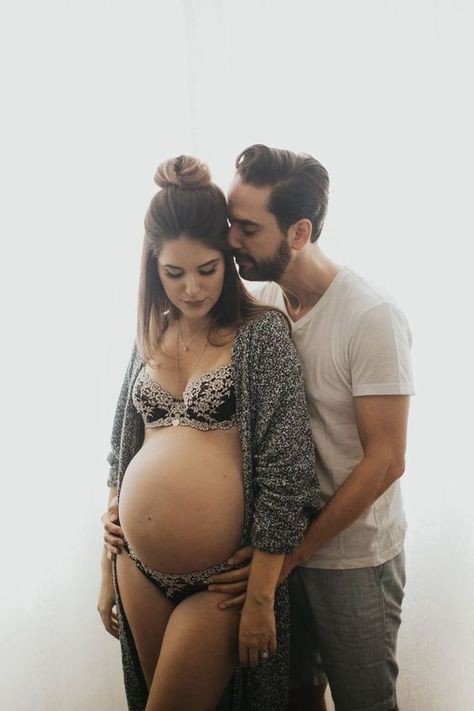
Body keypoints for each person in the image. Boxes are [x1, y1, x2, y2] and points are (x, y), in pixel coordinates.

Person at [97, 154, 319, 711]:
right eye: (174, 274)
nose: (192, 289)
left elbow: (288, 469)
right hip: (137, 568)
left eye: (207, 269)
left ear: (227, 259)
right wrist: (106, 569)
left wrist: (262, 594)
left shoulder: (260, 335)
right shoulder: (149, 335)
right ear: (153, 266)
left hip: (222, 581)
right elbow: (121, 450)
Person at [204, 144, 414, 711]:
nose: (231, 239)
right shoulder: (265, 301)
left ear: (298, 233)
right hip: (279, 548)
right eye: (230, 222)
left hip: (352, 559)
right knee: (295, 696)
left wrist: (294, 554)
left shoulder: (371, 316)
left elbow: (387, 460)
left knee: (365, 702)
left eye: (248, 228)